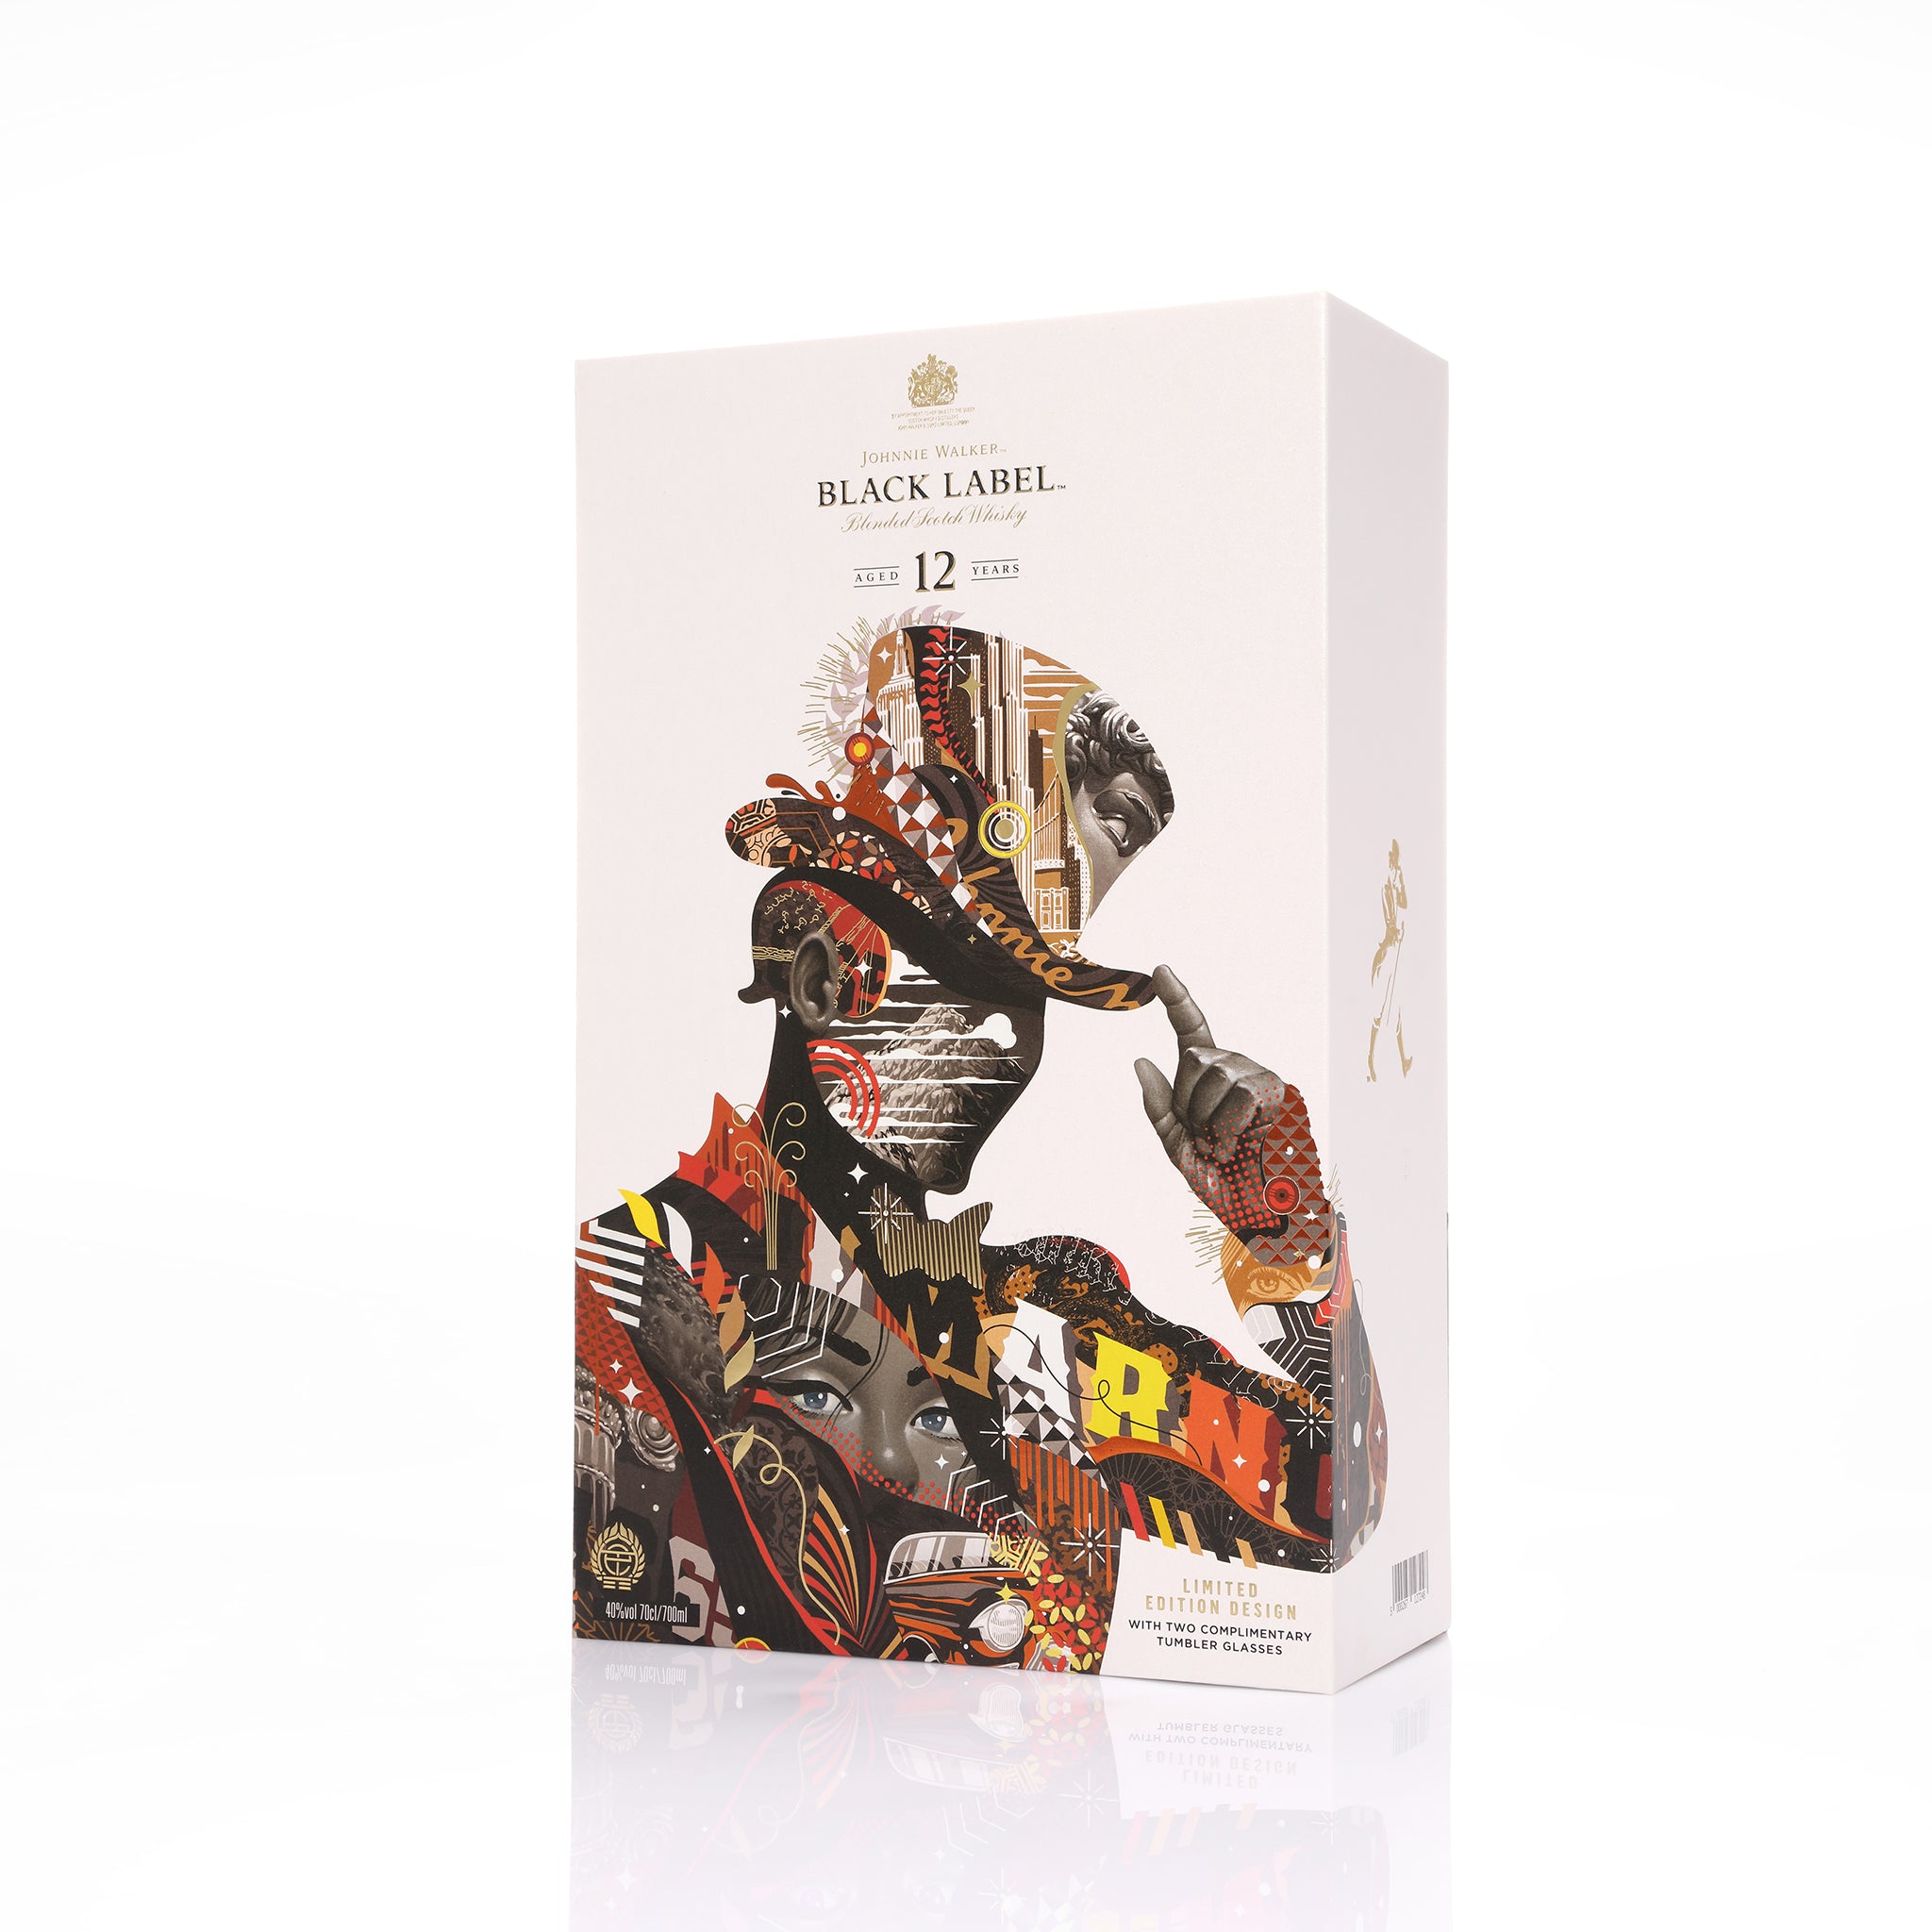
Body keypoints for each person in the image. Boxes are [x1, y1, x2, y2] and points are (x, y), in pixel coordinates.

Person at [574, 619, 1386, 1667]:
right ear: (821, 982)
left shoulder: (1036, 1325)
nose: (1010, 1043)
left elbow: (1333, 1508)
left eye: (1033, 999)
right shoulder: (613, 1288)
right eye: (969, 983)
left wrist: (1285, 1230)